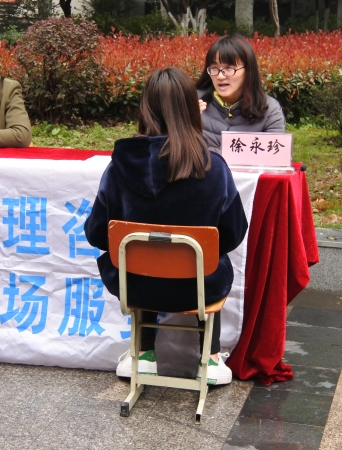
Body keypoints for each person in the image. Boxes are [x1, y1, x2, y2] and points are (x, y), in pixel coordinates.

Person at [84, 67, 248, 385]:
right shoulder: (213, 166)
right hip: (199, 287)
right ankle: (210, 358)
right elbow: (232, 234)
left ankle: (143, 354)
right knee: (213, 258)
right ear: (191, 108)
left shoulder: (119, 166)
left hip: (134, 286)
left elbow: (96, 233)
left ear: (145, 108)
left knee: (139, 258)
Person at [197, 34, 286, 154]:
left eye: (229, 68)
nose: (220, 76)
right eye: (214, 68)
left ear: (248, 70)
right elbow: (176, 152)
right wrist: (186, 122)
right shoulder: (192, 101)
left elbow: (276, 157)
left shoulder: (269, 110)